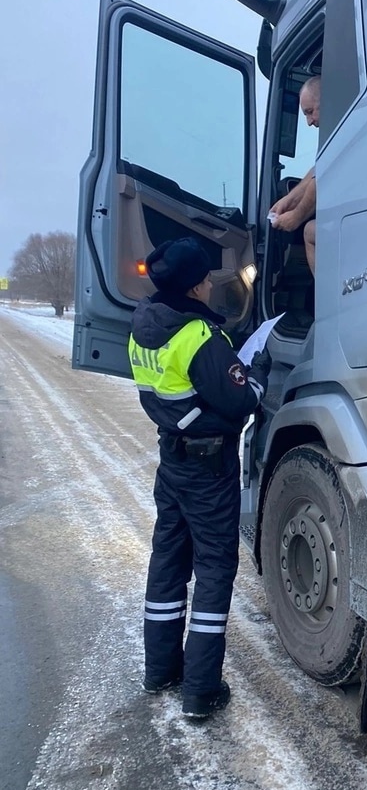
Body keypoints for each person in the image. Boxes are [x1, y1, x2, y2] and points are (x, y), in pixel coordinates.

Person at [128, 237, 272, 719]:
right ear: (194, 287)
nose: (212, 284)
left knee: (168, 562)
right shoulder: (199, 338)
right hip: (208, 471)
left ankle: (159, 671)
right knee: (213, 571)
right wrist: (255, 371)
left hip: (172, 462)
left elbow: (162, 398)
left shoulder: (142, 327)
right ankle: (200, 690)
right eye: (207, 279)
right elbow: (241, 400)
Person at [269, 75, 320, 272]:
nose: (308, 122)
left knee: (309, 232)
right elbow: (317, 171)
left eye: (309, 112)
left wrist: (296, 217)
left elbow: (320, 181)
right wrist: (288, 200)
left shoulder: (340, 126)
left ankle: (326, 301)